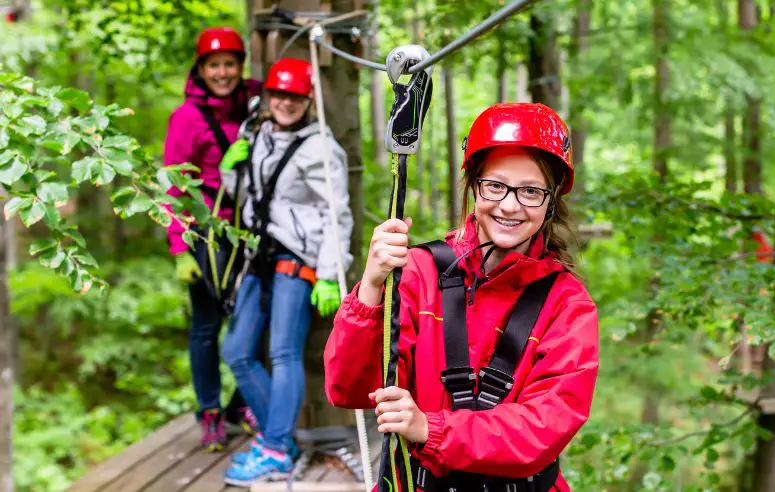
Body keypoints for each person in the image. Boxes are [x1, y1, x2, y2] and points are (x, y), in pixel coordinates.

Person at [324, 103, 600, 491]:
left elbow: (545, 426)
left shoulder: (567, 304)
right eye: (496, 186)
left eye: (530, 191)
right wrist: (370, 287)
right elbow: (349, 387)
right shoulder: (419, 271)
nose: (509, 205)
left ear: (551, 200)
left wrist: (430, 428)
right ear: (474, 185)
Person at [218, 57, 353, 486]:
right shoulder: (258, 134)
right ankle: (282, 435)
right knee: (237, 351)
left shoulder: (321, 148)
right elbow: (252, 196)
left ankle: (276, 447)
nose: (285, 103)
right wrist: (229, 169)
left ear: (307, 98)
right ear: (268, 96)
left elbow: (337, 214)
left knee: (283, 353)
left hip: (297, 259)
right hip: (259, 255)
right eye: (278, 94)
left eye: (294, 96)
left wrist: (331, 273)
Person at [163, 26, 262, 453]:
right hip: (206, 231)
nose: (222, 73)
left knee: (254, 320)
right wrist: (179, 248)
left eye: (229, 64)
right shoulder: (186, 118)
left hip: (251, 229)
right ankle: (209, 412)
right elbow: (173, 185)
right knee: (206, 327)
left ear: (240, 67)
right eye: (214, 65)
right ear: (201, 70)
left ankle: (239, 405)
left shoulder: (255, 103)